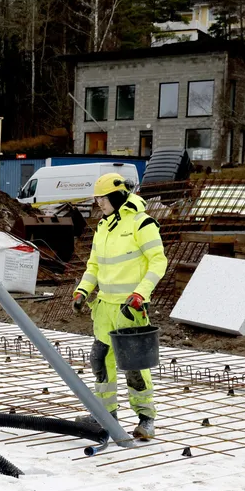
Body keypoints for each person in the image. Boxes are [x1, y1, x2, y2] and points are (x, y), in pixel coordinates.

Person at [72, 173, 168, 440]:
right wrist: (83, 290)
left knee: (135, 366)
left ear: (117, 196)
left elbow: (158, 262)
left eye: (103, 198)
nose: (99, 203)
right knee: (101, 360)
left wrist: (141, 294)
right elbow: (94, 265)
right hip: (104, 308)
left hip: (130, 308)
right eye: (97, 199)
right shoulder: (103, 226)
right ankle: (105, 415)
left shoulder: (141, 223)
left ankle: (146, 419)